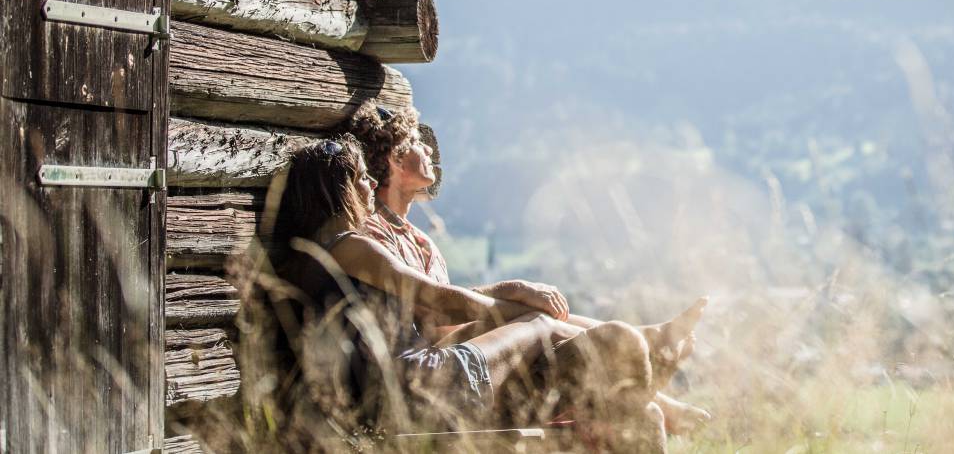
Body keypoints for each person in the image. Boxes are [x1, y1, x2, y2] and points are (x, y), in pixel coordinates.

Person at [257, 135, 704, 451]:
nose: (368, 187)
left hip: (401, 396)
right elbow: (439, 300)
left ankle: (643, 379)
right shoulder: (350, 246)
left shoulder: (306, 260)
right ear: (338, 189)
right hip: (417, 387)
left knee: (625, 379)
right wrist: (516, 305)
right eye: (358, 179)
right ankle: (645, 363)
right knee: (559, 328)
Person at [347, 105, 713, 434]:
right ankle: (647, 352)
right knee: (535, 315)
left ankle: (649, 367)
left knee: (535, 313)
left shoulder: (419, 240)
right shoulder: (373, 235)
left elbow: (444, 320)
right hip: (424, 374)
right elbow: (432, 312)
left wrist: (513, 300)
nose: (428, 149)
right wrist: (512, 294)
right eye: (415, 142)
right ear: (395, 159)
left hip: (454, 356)